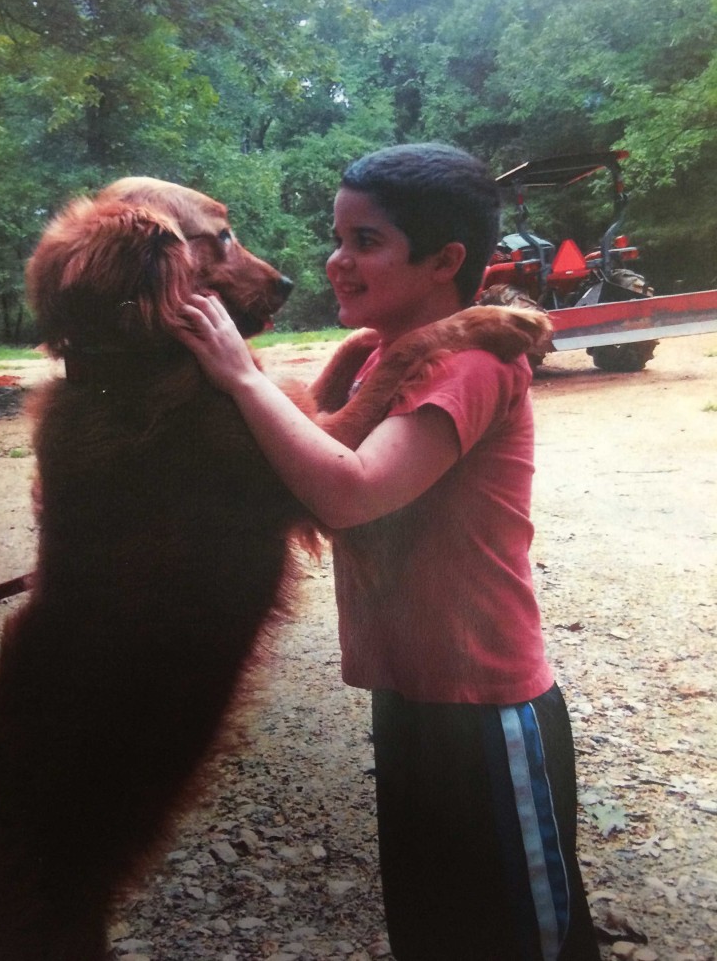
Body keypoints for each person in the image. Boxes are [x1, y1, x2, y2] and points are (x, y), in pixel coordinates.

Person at [173, 143, 600, 960]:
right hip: (408, 696)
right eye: (338, 238)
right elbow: (295, 457)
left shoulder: (477, 359)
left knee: (526, 940)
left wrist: (242, 375)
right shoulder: (371, 354)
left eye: (365, 242)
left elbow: (346, 488)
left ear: (445, 260)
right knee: (438, 931)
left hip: (487, 705)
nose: (336, 262)